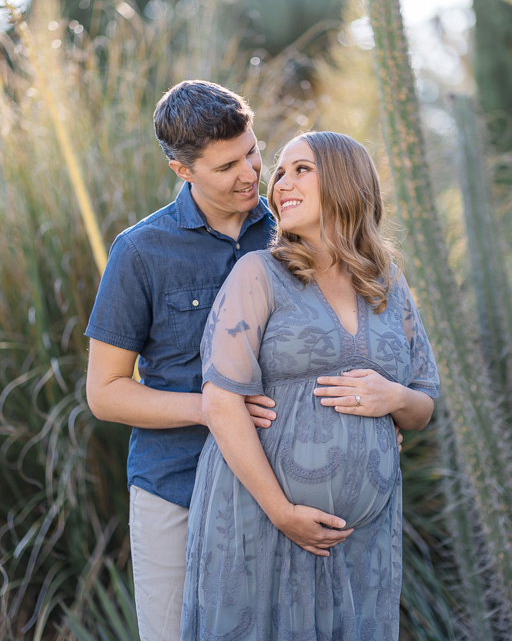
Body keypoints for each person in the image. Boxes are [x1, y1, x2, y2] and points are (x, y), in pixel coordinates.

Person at [85, 82, 367, 641]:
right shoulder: (140, 251)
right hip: (177, 486)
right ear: (181, 170)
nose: (250, 174)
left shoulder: (295, 230)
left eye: (252, 152)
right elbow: (106, 391)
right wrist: (213, 409)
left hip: (289, 487)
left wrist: (376, 416)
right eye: (226, 166)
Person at [181, 131, 439, 641]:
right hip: (261, 519)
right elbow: (221, 401)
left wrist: (393, 397)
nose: (280, 184)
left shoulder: (388, 282)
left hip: (362, 541)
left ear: (346, 181)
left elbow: (424, 402)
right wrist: (283, 513)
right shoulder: (258, 273)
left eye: (302, 169)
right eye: (279, 172)